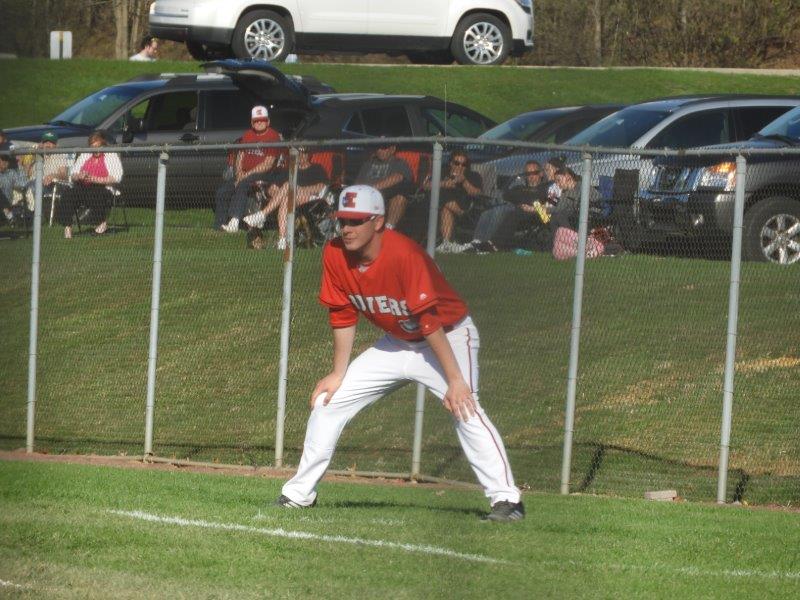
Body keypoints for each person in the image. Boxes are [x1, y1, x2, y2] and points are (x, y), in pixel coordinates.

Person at [277, 184, 524, 522]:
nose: (346, 229)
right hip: (398, 342)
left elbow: (428, 320)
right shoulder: (334, 253)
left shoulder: (404, 254)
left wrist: (455, 380)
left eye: (356, 221)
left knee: (464, 405)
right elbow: (342, 313)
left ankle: (507, 501)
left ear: (378, 221)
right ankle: (298, 495)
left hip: (448, 336)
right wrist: (338, 372)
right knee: (328, 401)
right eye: (342, 221)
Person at [214, 105, 284, 233]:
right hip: (245, 174)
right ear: (252, 122)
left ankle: (234, 221)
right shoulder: (248, 135)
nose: (259, 123)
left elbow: (268, 163)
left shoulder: (273, 136)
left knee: (244, 183)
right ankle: (219, 226)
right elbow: (240, 155)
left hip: (266, 174)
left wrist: (245, 176)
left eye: (262, 120)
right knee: (223, 191)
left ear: (268, 121)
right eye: (256, 121)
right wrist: (239, 172)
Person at [243, 149, 328, 250]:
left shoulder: (316, 168)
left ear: (308, 155)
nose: (301, 156)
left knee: (288, 185)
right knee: (286, 198)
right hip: (291, 200)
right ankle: (283, 240)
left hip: (312, 200)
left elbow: (321, 186)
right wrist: (283, 194)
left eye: (303, 153)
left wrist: (298, 189)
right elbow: (272, 190)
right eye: (298, 154)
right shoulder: (290, 170)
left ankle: (262, 215)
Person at [55, 130, 123, 239]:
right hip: (83, 186)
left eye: (98, 146)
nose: (95, 150)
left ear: (104, 145)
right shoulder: (85, 154)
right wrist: (80, 176)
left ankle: (102, 223)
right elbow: (73, 173)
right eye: (93, 147)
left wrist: (95, 179)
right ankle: (67, 226)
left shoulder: (111, 155)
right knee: (68, 193)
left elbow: (116, 177)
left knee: (96, 194)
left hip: (103, 187)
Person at [429, 151, 483, 254]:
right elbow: (426, 185)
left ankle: (446, 243)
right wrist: (444, 184)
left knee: (445, 206)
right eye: (457, 163)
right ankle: (447, 243)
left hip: (464, 205)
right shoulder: (442, 172)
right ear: (451, 163)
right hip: (438, 206)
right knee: (443, 199)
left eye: (464, 164)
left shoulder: (473, 175)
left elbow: (477, 193)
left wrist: (464, 182)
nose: (460, 166)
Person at [355, 143, 412, 230]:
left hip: (386, 194)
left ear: (392, 149)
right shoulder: (368, 163)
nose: (380, 150)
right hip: (365, 194)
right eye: (378, 148)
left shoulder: (399, 163)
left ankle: (388, 229)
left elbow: (398, 177)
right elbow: (358, 183)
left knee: (400, 197)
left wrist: (373, 188)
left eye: (384, 148)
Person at [0, 152, 28, 224]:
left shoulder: (11, 173)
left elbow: (23, 185)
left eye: (7, 160)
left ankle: (8, 214)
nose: (5, 162)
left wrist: (20, 165)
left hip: (6, 202)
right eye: (2, 159)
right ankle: (9, 216)